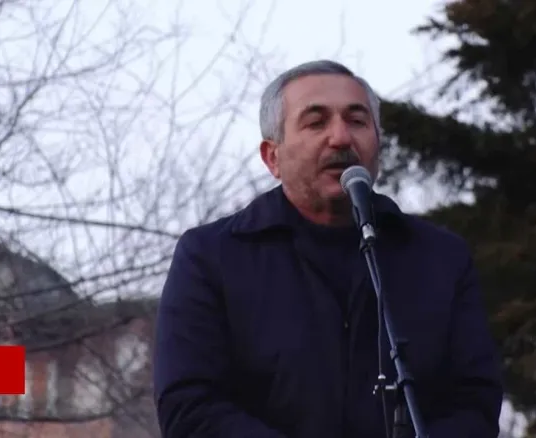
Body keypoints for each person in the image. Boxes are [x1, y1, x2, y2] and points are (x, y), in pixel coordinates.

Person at [152, 60, 503, 438]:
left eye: (357, 121)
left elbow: (476, 402)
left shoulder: (440, 258)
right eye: (316, 122)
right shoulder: (212, 256)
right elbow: (189, 408)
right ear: (272, 157)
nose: (340, 138)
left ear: (378, 144)